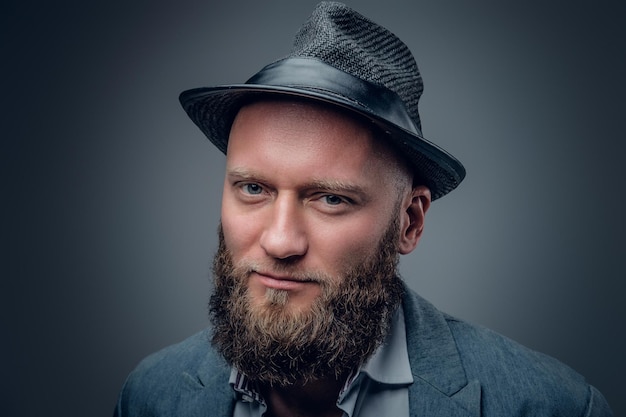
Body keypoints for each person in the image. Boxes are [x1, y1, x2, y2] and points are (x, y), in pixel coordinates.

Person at [114, 2, 613, 416]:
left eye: (331, 199)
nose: (280, 241)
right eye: (253, 189)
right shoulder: (150, 396)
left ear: (410, 221)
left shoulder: (552, 406)